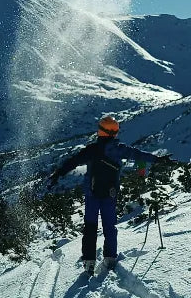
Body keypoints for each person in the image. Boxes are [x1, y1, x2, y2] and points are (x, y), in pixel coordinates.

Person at [47, 115, 170, 275]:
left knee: (90, 227)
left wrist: (58, 173)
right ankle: (110, 258)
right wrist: (158, 160)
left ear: (100, 131)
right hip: (110, 194)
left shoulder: (91, 150)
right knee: (109, 227)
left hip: (92, 194)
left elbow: (73, 161)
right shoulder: (119, 149)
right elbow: (139, 155)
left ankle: (89, 262)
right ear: (115, 132)